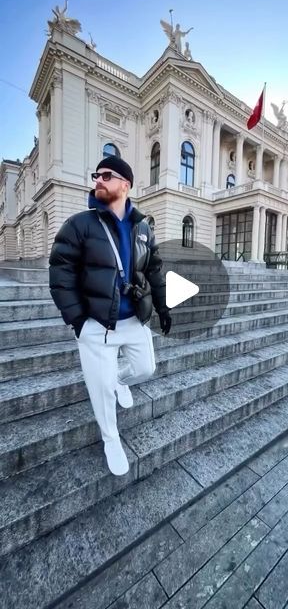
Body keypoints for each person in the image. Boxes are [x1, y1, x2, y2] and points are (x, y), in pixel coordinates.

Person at [49, 155, 171, 476]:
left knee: (145, 368)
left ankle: (120, 379)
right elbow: (60, 274)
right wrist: (78, 320)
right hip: (96, 324)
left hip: (134, 319)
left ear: (125, 185)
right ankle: (111, 438)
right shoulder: (79, 224)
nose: (98, 180)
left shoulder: (142, 227)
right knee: (100, 389)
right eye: (96, 176)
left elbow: (154, 270)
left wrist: (163, 306)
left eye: (107, 175)